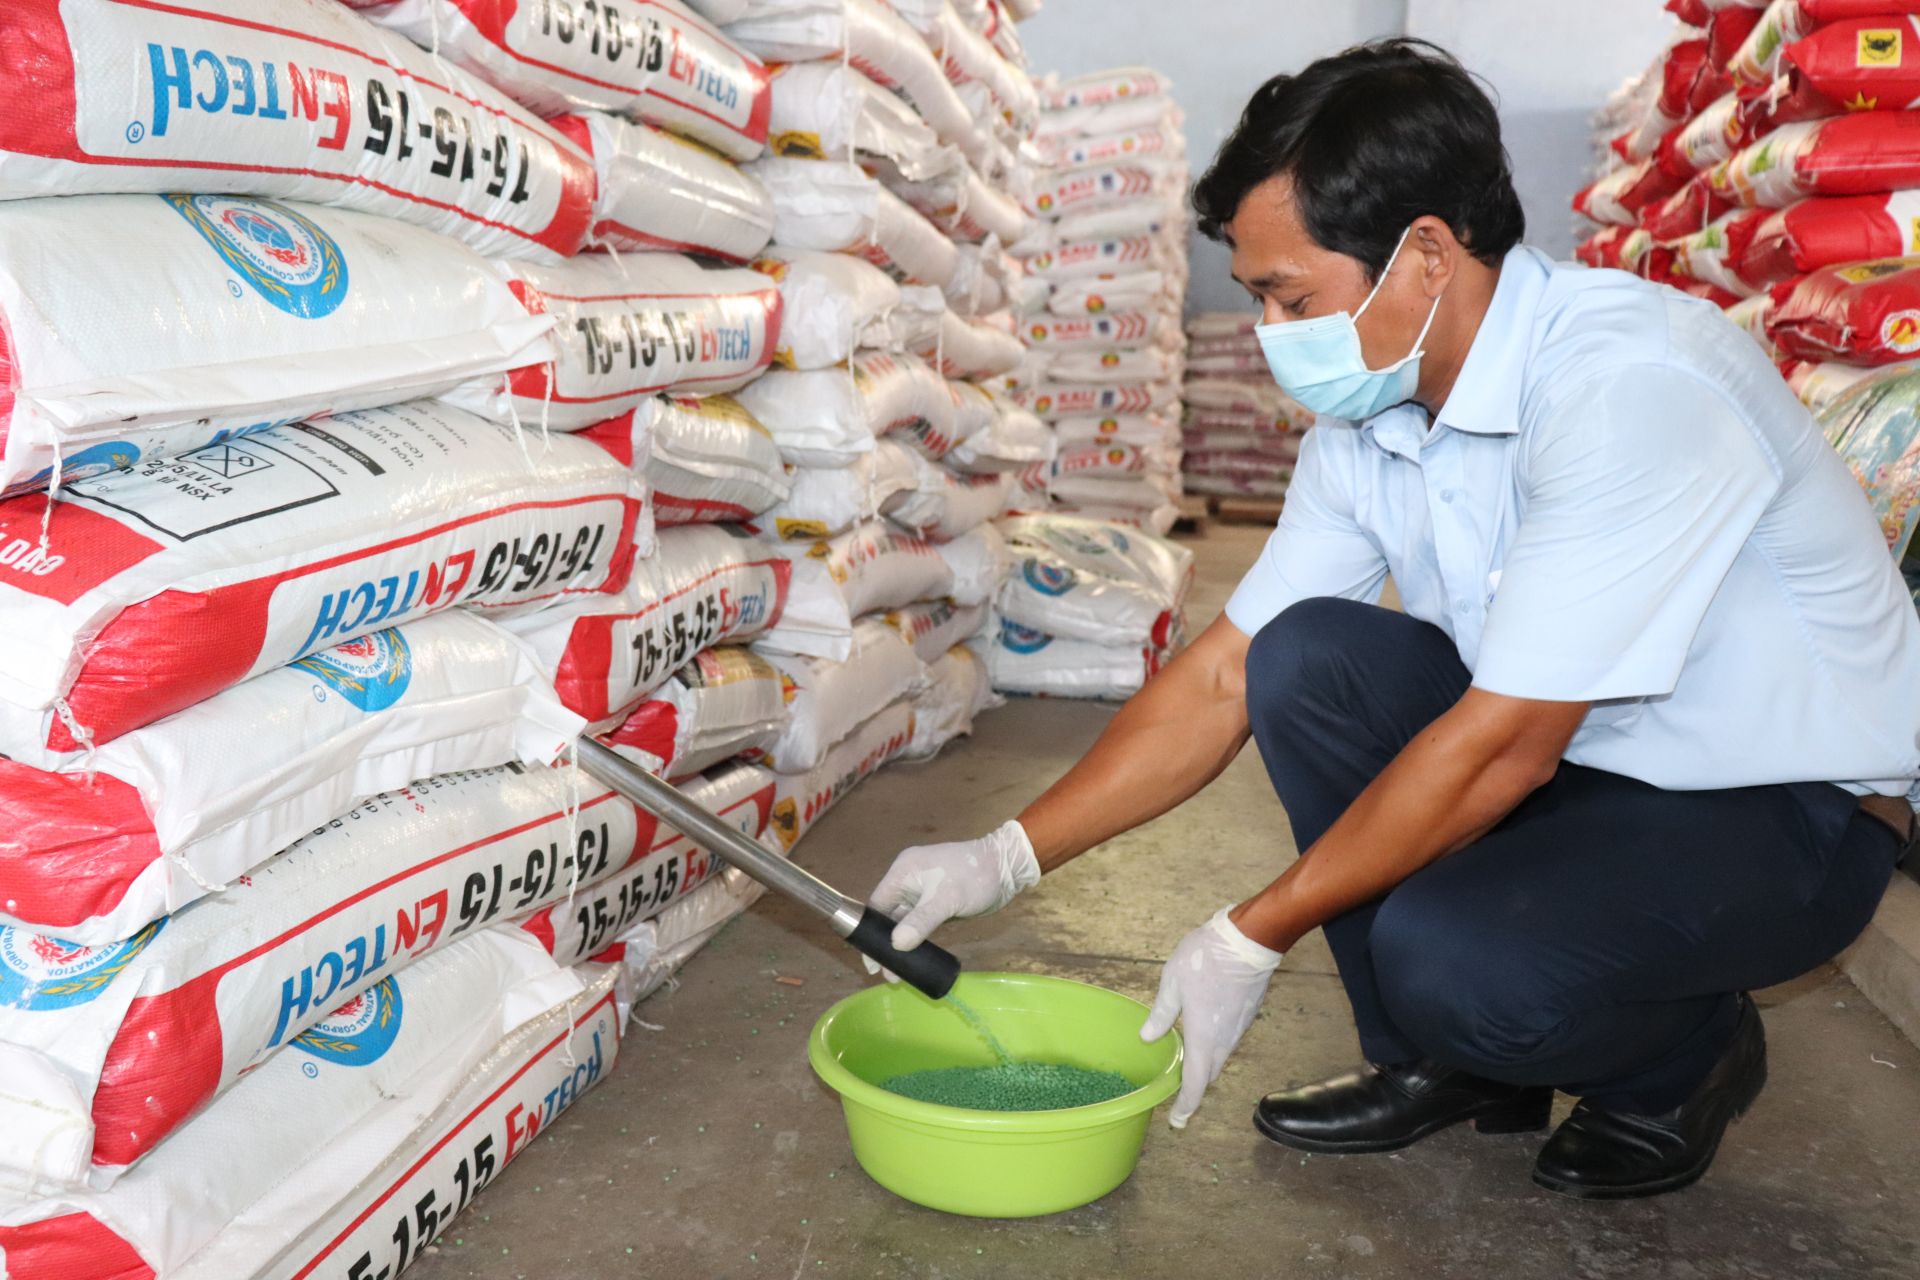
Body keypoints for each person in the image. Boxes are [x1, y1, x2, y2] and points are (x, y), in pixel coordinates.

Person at [868, 38, 1920, 1200]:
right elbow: (1225, 674)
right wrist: (1005, 854)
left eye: (1290, 297)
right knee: (1310, 658)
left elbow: (1506, 748)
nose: (1271, 332)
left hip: (1777, 807)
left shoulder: (1623, 386)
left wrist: (1248, 931)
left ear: (1425, 254)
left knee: (1455, 958)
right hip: (1589, 757)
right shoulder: (1375, 417)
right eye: (1260, 299)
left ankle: (1681, 1061)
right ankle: (1455, 1063)